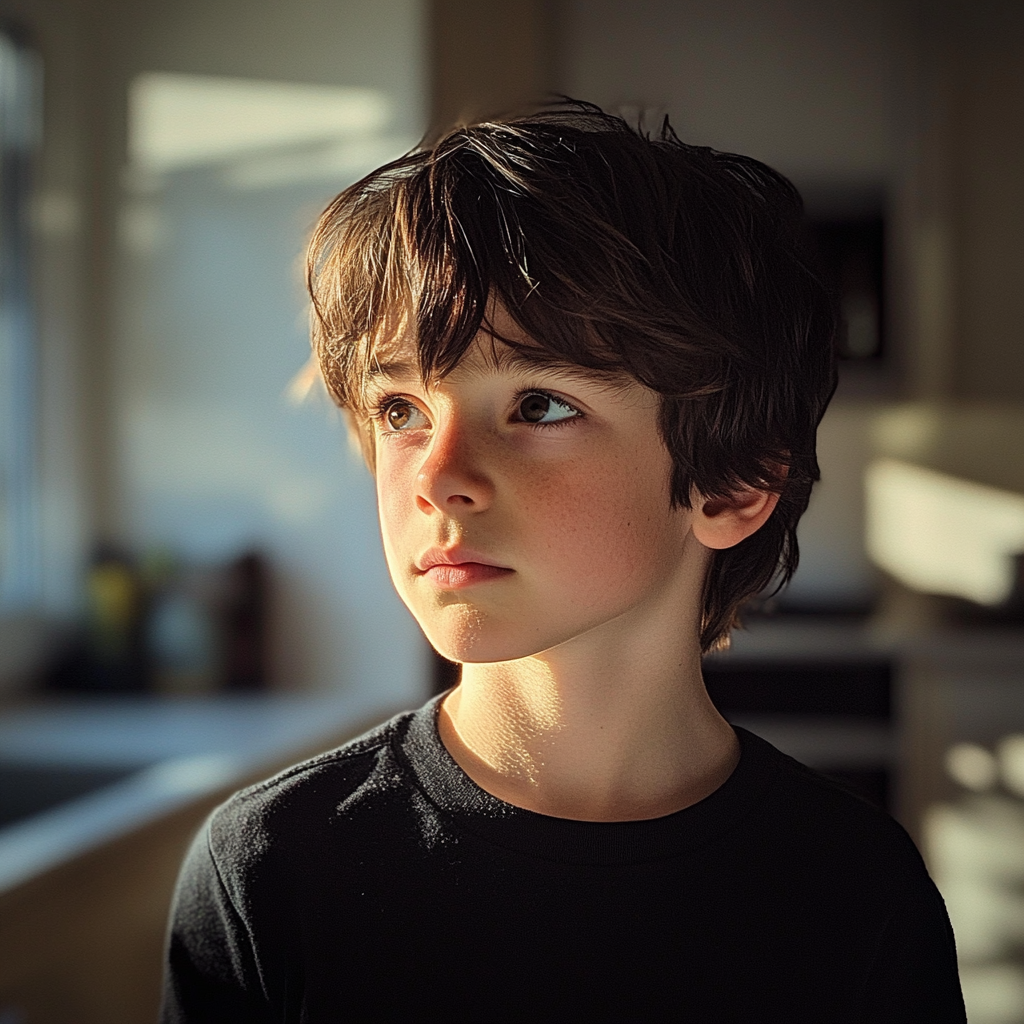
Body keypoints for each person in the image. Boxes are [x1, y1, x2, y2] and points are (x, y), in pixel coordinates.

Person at [161, 102, 965, 1023]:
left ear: (733, 484)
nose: (439, 478)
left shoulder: (858, 894)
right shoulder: (271, 869)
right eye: (401, 412)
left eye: (539, 405)